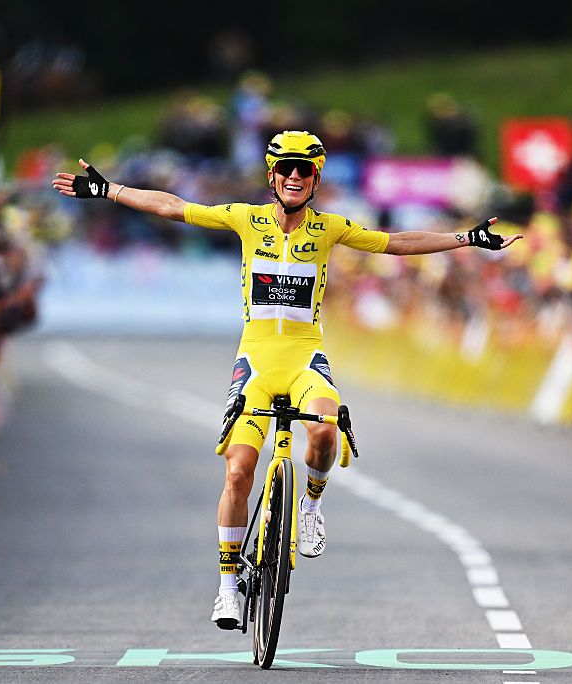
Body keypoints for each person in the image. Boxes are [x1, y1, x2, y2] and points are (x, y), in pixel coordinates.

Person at [52, 130, 523, 629]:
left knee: (323, 429)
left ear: (316, 179)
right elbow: (174, 206)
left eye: (304, 170)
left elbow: (397, 243)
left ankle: (312, 505)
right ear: (271, 174)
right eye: (286, 168)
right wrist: (109, 191)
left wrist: (467, 238)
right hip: (255, 359)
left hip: (305, 357)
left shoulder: (330, 228)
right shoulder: (245, 218)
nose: (294, 176)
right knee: (238, 471)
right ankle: (227, 586)